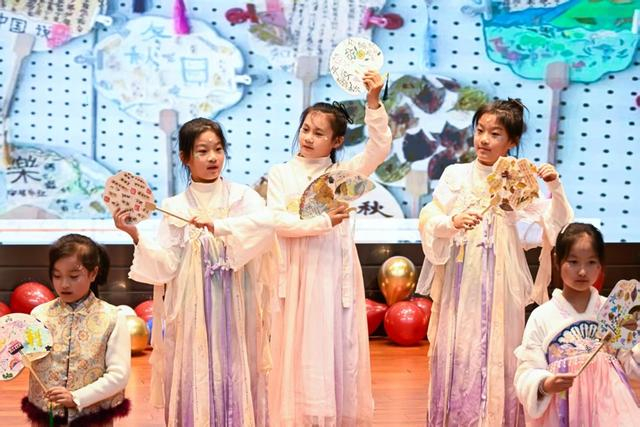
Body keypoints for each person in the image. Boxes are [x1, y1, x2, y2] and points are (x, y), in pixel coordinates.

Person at [417, 98, 573, 426]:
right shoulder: (456, 175)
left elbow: (555, 224)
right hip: (463, 282)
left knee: (500, 348)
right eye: (480, 130)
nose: (484, 140)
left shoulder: (518, 181)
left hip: (502, 282)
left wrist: (554, 186)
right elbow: (429, 216)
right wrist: (452, 221)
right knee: (462, 346)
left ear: (511, 141)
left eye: (495, 134)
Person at [113, 118, 276, 426]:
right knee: (195, 366)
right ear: (185, 157)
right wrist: (134, 234)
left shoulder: (243, 197)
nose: (213, 157)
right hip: (193, 309)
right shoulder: (175, 206)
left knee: (238, 363)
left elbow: (266, 229)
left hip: (238, 304)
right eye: (202, 151)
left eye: (218, 149)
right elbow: (166, 265)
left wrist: (220, 227)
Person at [267, 70, 392, 426]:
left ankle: (333, 415)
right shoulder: (281, 173)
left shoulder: (344, 175)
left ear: (336, 141)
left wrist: (373, 102)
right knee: (297, 344)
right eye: (306, 129)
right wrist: (323, 222)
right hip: (296, 273)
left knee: (334, 343)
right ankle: (298, 416)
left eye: (319, 133)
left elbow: (379, 147)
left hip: (333, 270)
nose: (308, 137)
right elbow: (277, 222)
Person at [514, 223, 640, 426]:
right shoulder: (542, 316)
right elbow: (526, 371)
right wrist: (546, 383)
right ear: (557, 261)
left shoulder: (613, 311)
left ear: (600, 265)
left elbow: (630, 367)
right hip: (562, 411)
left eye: (591, 262)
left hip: (610, 410)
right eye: (573, 262)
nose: (582, 271)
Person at [22, 234, 131, 426]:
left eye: (73, 276)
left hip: (91, 417)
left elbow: (119, 375)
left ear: (93, 273)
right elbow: (25, 357)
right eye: (57, 276)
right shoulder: (39, 314)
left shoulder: (112, 318)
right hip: (46, 415)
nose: (64, 284)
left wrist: (78, 397)